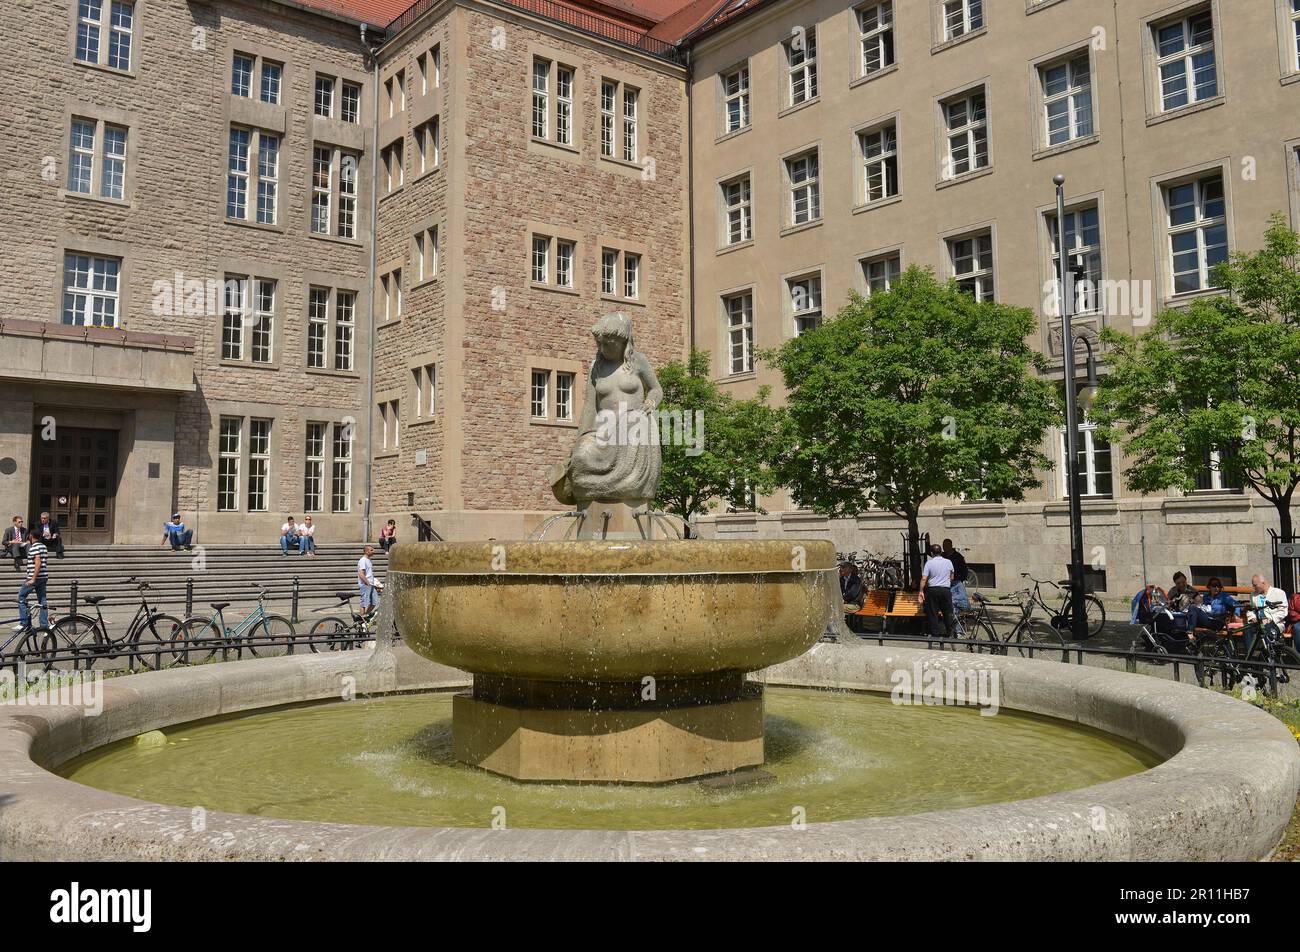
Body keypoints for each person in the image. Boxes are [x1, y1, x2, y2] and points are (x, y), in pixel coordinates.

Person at [916, 543, 956, 640]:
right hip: (945, 590)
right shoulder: (948, 562)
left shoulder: (929, 563)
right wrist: (946, 582)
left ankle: (935, 636)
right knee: (947, 612)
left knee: (932, 613)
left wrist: (921, 591)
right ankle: (950, 633)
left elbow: (924, 579)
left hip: (932, 590)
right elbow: (952, 577)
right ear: (941, 552)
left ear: (932, 553)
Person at [1244, 573, 1288, 659]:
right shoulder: (1253, 595)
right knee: (1247, 630)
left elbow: (1283, 611)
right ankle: (1251, 658)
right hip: (1258, 623)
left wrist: (1269, 619)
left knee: (1267, 631)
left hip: (1275, 623)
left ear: (1263, 583)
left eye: (1255, 585)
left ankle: (1269, 657)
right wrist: (1252, 617)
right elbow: (1250, 610)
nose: (1254, 587)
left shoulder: (1278, 593)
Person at [15, 527, 49, 633]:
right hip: (43, 577)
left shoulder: (34, 547)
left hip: (34, 578)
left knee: (21, 596)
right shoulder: (43, 546)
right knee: (42, 600)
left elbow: (37, 563)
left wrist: (33, 579)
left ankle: (24, 623)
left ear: (31, 535)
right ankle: (44, 625)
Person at [942, 538, 970, 611]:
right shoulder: (942, 555)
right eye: (943, 545)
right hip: (945, 583)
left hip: (955, 583)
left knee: (956, 602)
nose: (944, 547)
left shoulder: (958, 557)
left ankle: (955, 618)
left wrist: (959, 579)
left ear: (950, 546)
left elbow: (964, 570)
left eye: (946, 546)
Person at [357, 543, 382, 620]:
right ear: (366, 551)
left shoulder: (368, 560)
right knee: (364, 603)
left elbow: (369, 574)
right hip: (365, 585)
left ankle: (366, 616)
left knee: (374, 601)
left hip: (370, 584)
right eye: (371, 550)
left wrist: (375, 582)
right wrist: (367, 583)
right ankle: (361, 621)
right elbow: (361, 574)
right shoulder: (363, 560)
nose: (373, 551)